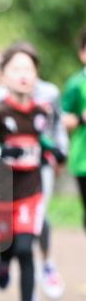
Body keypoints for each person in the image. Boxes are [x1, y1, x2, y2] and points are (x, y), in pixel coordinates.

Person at [0, 45, 66, 301]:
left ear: (36, 76)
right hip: (1, 191)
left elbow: (42, 138)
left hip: (31, 189)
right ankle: (2, 262)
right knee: (7, 247)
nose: (23, 75)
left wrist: (51, 152)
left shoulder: (42, 111)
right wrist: (0, 152)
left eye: (29, 69)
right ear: (3, 75)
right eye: (16, 68)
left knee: (24, 249)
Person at [61, 28, 86, 231]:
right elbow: (62, 119)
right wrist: (81, 118)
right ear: (82, 53)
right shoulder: (76, 84)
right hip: (83, 158)